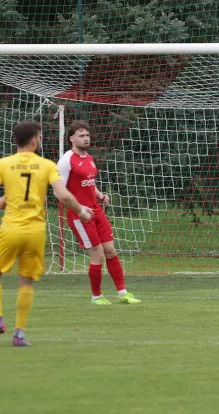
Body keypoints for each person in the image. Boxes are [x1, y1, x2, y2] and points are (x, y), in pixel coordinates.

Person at [0, 121, 94, 347]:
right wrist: (80, 210)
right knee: (26, 282)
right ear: (34, 140)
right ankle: (19, 334)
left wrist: (1, 203)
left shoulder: (3, 164)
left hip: (11, 228)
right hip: (36, 231)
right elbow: (63, 194)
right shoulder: (46, 165)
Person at [57, 120, 140, 305]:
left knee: (110, 251)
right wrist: (79, 209)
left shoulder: (89, 159)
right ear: (71, 138)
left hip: (96, 211)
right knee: (98, 254)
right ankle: (97, 296)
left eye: (87, 135)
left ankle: (123, 293)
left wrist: (101, 196)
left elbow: (88, 184)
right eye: (81, 135)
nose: (86, 139)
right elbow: (59, 191)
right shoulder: (65, 161)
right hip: (79, 215)